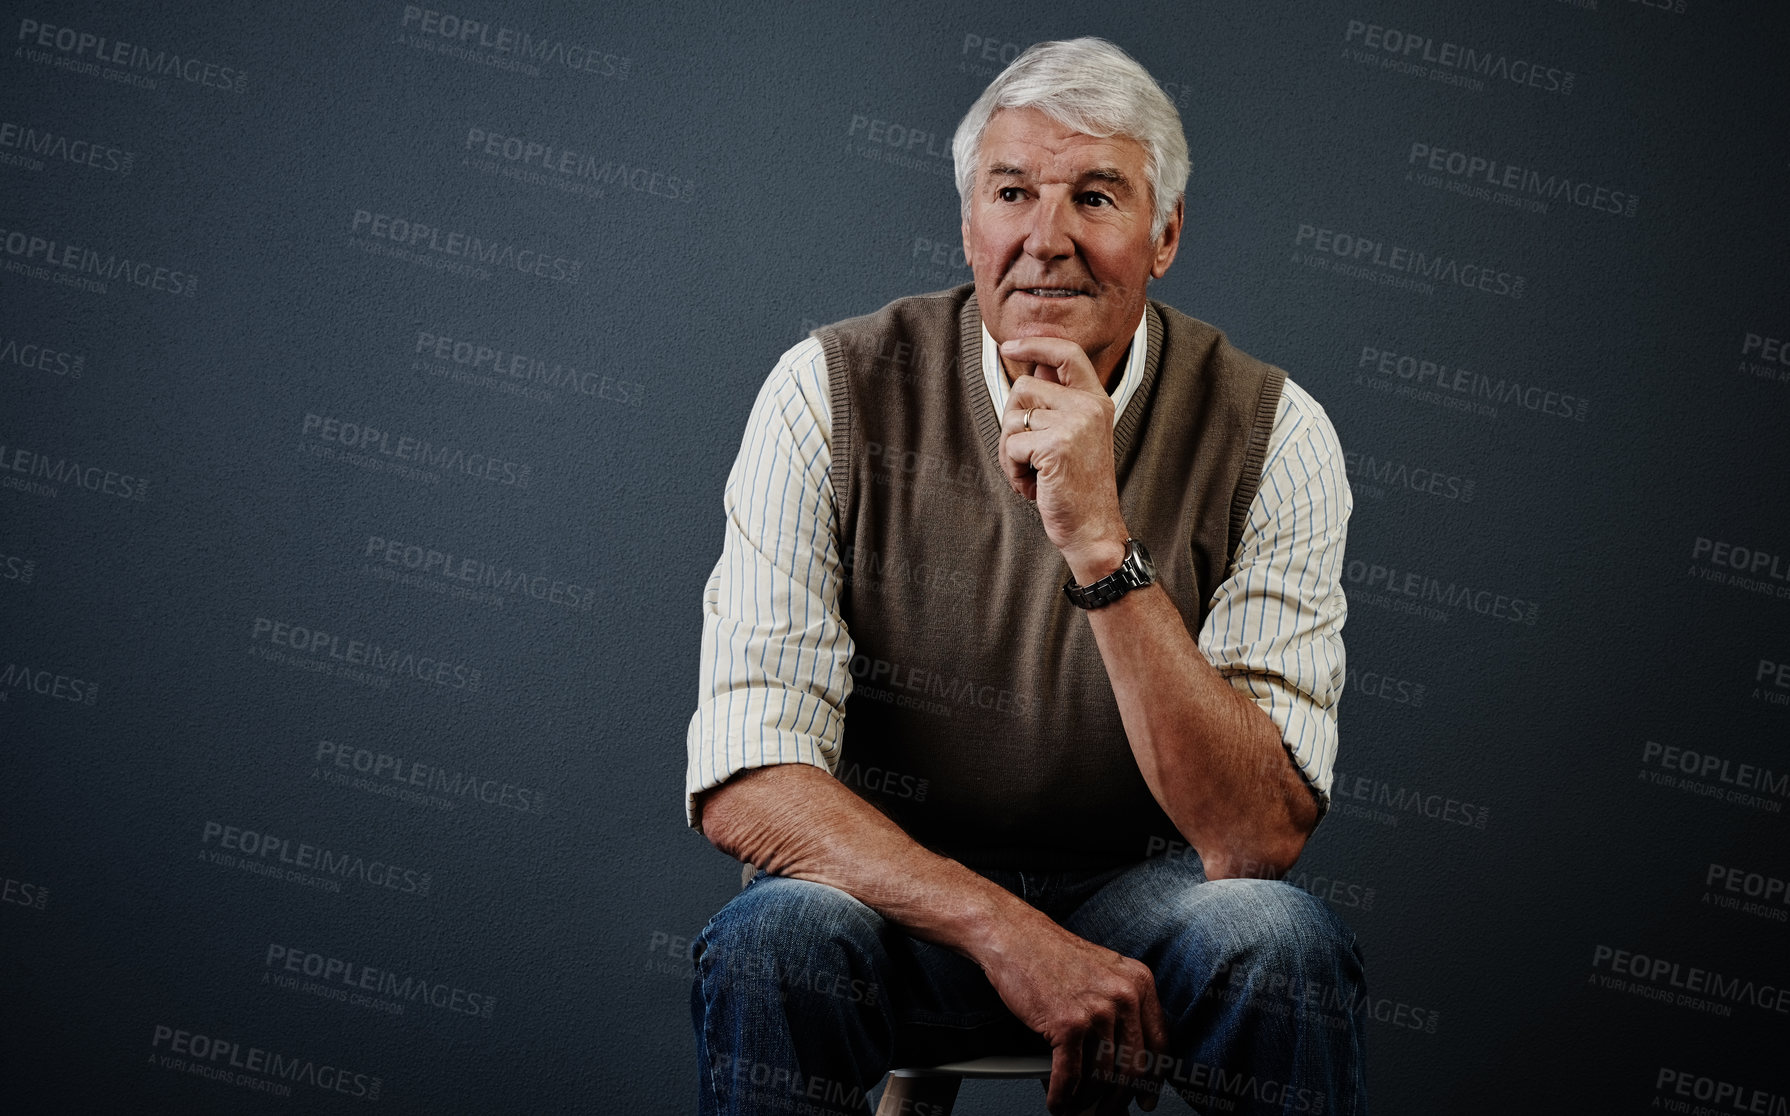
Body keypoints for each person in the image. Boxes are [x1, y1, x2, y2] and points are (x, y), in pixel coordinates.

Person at [684, 37, 1364, 1116]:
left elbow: (1251, 836)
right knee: (776, 937)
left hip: (1149, 910)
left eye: (1097, 197)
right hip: (894, 908)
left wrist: (1101, 544)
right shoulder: (827, 391)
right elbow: (748, 776)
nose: (1046, 241)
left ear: (1165, 233)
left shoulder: (1271, 431)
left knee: (1276, 943)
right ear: (968, 225)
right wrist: (1007, 934)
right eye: (1011, 193)